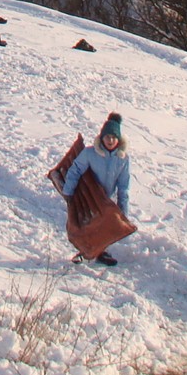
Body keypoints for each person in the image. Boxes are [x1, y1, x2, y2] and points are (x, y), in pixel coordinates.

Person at [61, 113, 131, 266]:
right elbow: (75, 170)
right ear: (102, 137)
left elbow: (123, 185)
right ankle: (83, 252)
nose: (110, 140)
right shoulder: (90, 153)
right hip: (88, 194)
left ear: (118, 139)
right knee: (87, 224)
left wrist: (123, 209)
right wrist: (68, 191)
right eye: (107, 137)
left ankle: (99, 252)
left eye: (113, 137)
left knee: (106, 225)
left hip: (106, 197)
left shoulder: (122, 158)